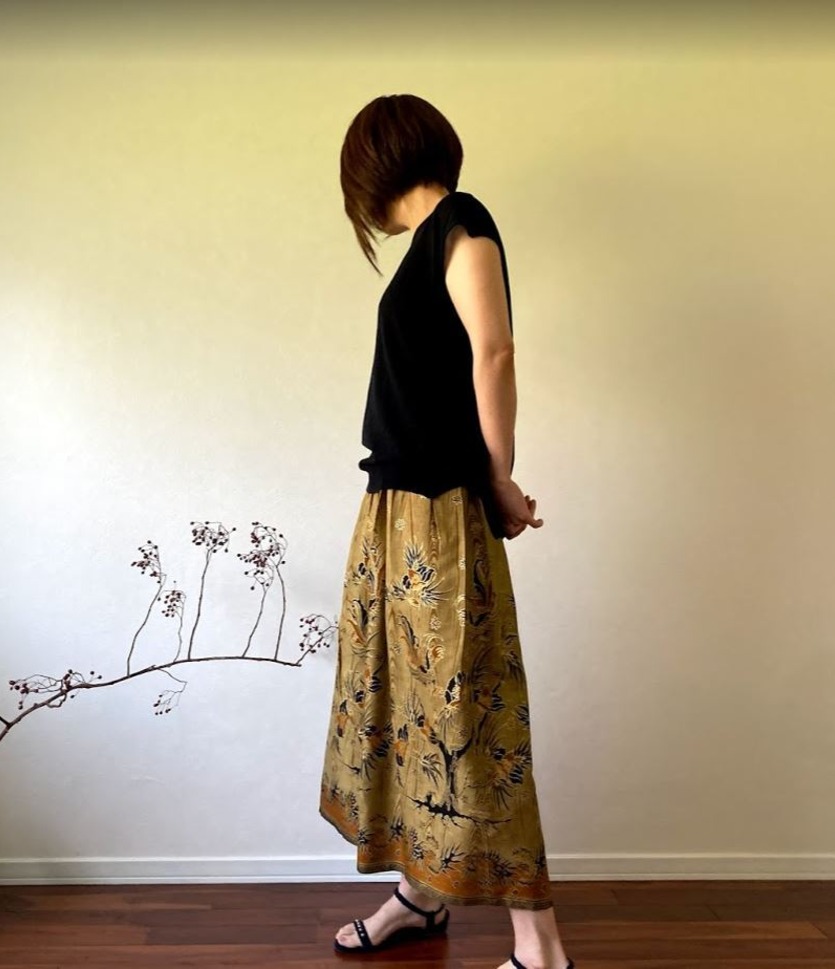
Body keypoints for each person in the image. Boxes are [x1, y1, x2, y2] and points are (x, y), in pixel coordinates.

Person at [317, 93, 574, 969]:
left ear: (372, 165)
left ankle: (540, 946)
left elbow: (493, 351)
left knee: (469, 718)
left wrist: (498, 477)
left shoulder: (461, 225)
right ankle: (423, 894)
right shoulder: (429, 246)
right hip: (396, 508)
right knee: (412, 712)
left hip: (436, 512)